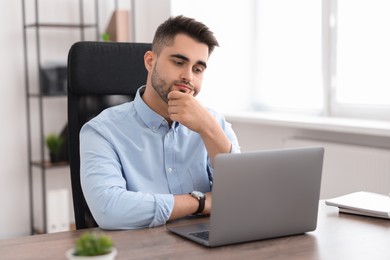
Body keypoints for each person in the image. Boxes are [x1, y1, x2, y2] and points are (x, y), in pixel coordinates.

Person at [80, 15, 241, 229]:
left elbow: (241, 197)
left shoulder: (214, 123)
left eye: (198, 69)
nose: (188, 77)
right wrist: (200, 202)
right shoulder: (101, 131)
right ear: (150, 61)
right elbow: (109, 209)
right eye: (178, 62)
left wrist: (208, 128)